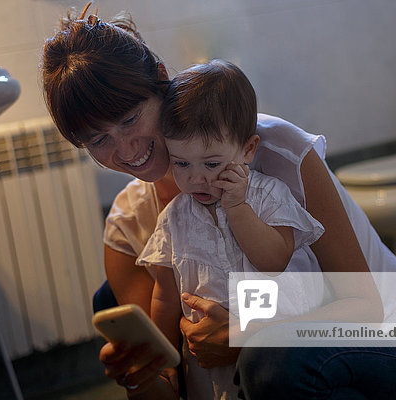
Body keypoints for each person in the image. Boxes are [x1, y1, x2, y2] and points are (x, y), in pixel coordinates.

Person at [40, 5, 396, 399]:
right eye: (98, 140)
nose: (126, 150)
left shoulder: (276, 153)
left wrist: (244, 335)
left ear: (161, 80)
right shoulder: (130, 225)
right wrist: (141, 374)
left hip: (387, 341)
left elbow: (366, 306)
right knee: (111, 300)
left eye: (130, 119)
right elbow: (166, 385)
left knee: (270, 361)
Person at [137, 59, 327, 400]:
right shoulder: (174, 217)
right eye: (181, 163)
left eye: (212, 164)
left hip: (280, 351)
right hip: (209, 365)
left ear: (248, 150)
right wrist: (164, 360)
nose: (196, 178)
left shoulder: (268, 195)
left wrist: (237, 208)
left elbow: (274, 260)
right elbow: (165, 296)